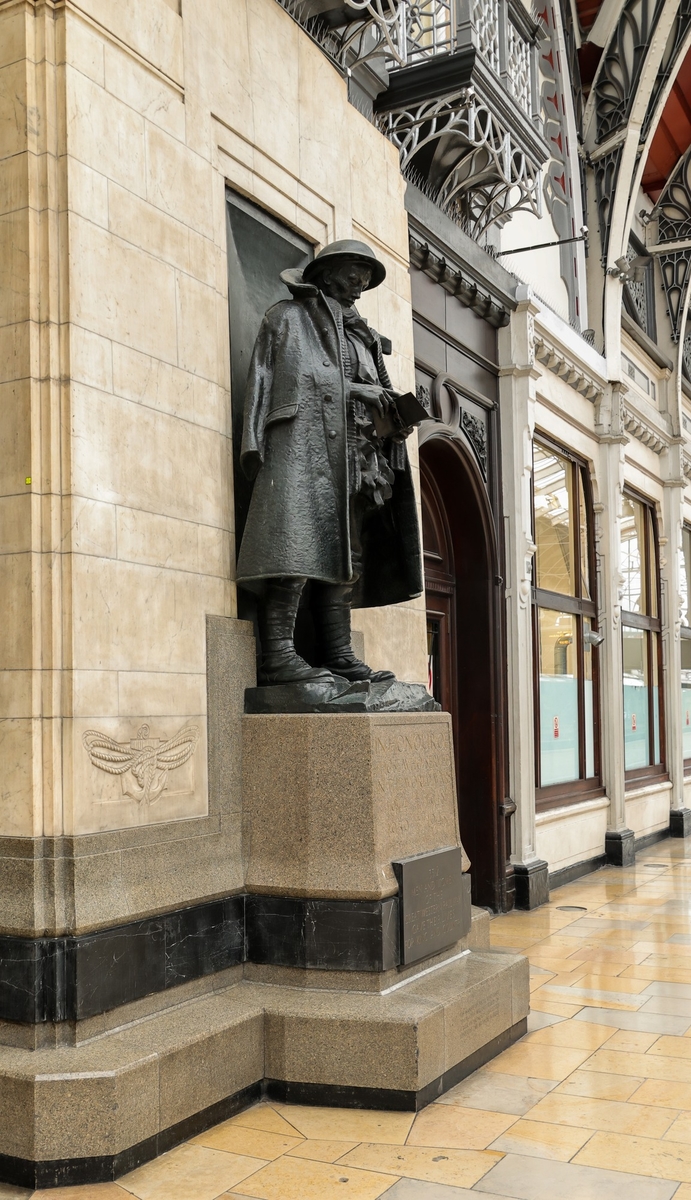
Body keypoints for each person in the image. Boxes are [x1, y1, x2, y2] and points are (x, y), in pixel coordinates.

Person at [236, 239, 422, 685]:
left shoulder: (363, 338)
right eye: (355, 270)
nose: (361, 282)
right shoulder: (289, 318)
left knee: (348, 557)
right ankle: (278, 655)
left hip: (358, 461)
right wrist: (357, 392)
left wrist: (395, 418)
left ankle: (338, 653)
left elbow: (375, 388)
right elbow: (292, 377)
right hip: (307, 450)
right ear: (327, 271)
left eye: (367, 274)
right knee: (295, 548)